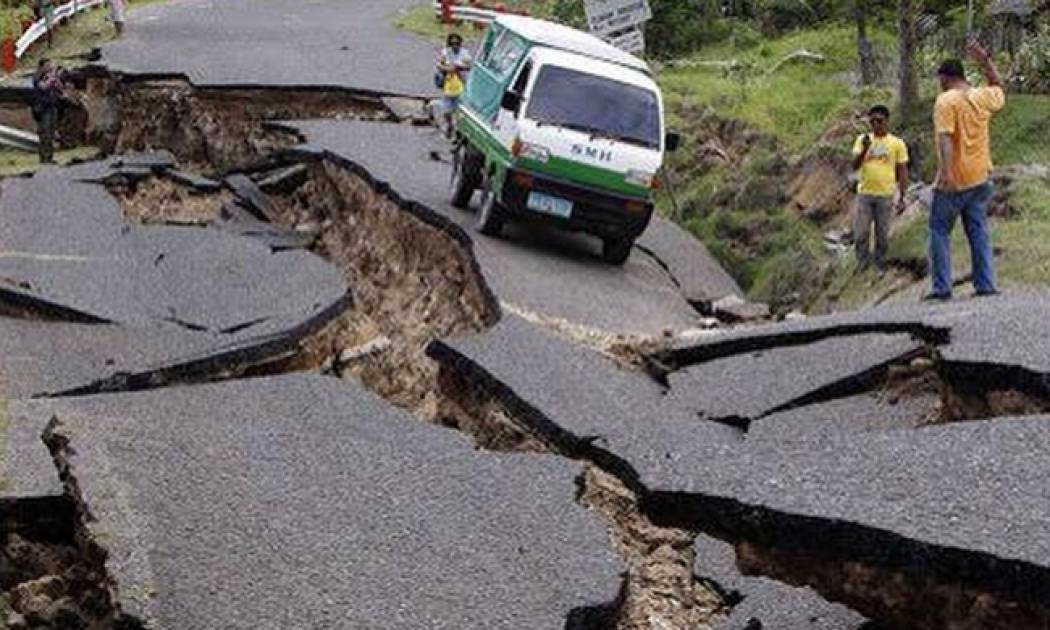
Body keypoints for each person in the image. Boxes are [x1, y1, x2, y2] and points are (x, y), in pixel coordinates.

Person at [926, 40, 1005, 301]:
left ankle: (941, 288)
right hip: (981, 177)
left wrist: (946, 174)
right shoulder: (982, 96)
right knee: (978, 230)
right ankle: (985, 285)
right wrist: (984, 61)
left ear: (945, 78)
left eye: (940, 79)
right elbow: (998, 87)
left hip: (956, 179)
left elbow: (945, 138)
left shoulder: (946, 101)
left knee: (938, 229)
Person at [850, 105, 909, 274]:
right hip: (865, 193)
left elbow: (902, 170)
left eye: (879, 121)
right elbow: (854, 165)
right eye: (872, 121)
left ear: (886, 122)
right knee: (861, 232)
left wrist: (902, 195)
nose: (875, 125)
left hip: (885, 194)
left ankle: (879, 263)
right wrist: (865, 150)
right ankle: (862, 262)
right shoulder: (863, 140)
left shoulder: (897, 143)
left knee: (882, 233)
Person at [436, 33, 471, 138]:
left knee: (459, 111)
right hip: (448, 84)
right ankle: (449, 125)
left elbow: (469, 66)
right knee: (446, 110)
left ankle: (459, 131)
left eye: (456, 43)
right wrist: (446, 69)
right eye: (452, 43)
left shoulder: (465, 54)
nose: (454, 45)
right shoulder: (445, 53)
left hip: (461, 84)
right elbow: (439, 64)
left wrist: (458, 67)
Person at [32, 58, 65, 164]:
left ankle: (49, 157)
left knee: (51, 133)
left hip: (52, 107)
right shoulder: (37, 76)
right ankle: (44, 158)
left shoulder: (50, 76)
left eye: (50, 65)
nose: (49, 67)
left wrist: (57, 79)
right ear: (41, 66)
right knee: (45, 133)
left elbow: (60, 89)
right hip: (43, 108)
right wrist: (52, 76)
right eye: (47, 65)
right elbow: (43, 87)